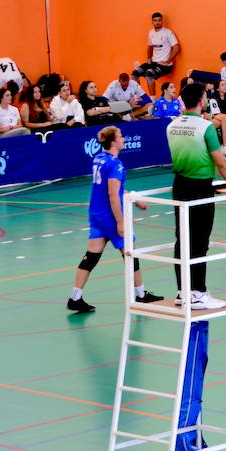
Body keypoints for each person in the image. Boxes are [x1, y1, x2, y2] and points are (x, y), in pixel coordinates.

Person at [166, 84, 226, 309]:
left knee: (182, 239)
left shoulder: (172, 126)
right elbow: (220, 160)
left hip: (179, 185)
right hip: (200, 188)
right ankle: (198, 292)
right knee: (200, 240)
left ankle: (183, 291)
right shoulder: (206, 127)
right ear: (202, 101)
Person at [66, 126, 162, 313]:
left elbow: (113, 189)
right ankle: (141, 294)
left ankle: (75, 297)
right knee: (130, 253)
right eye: (120, 136)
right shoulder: (116, 165)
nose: (123, 138)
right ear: (113, 142)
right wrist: (120, 222)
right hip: (110, 216)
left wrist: (134, 200)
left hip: (96, 215)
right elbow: (112, 194)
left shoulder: (99, 159)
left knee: (91, 257)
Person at [131, 12, 180, 98]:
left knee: (149, 74)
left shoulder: (168, 32)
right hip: (153, 63)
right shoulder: (151, 33)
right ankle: (137, 98)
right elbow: (150, 46)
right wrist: (149, 58)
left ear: (162, 21)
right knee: (134, 73)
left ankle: (152, 101)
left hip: (165, 66)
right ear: (152, 22)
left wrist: (167, 61)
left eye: (159, 20)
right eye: (155, 20)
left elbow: (176, 47)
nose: (157, 22)